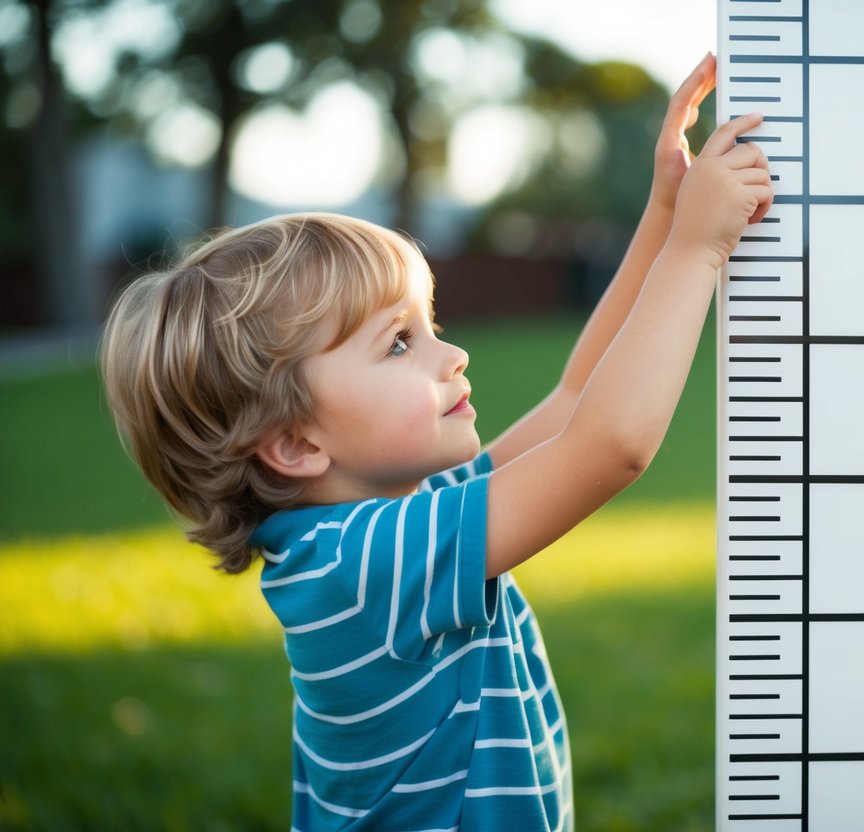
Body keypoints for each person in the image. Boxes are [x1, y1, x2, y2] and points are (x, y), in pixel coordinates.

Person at [100, 52, 771, 831]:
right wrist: (697, 251)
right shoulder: (364, 565)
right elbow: (608, 443)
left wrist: (663, 213)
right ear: (294, 445)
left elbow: (575, 399)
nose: (451, 356)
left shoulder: (391, 523)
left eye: (432, 328)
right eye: (397, 343)